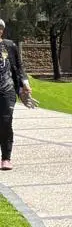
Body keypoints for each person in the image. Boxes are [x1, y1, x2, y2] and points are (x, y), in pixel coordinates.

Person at [0, 18, 35, 170]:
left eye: (0, 28)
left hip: (7, 89)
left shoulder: (9, 46)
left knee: (6, 122)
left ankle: (6, 158)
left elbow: (18, 68)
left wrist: (24, 86)